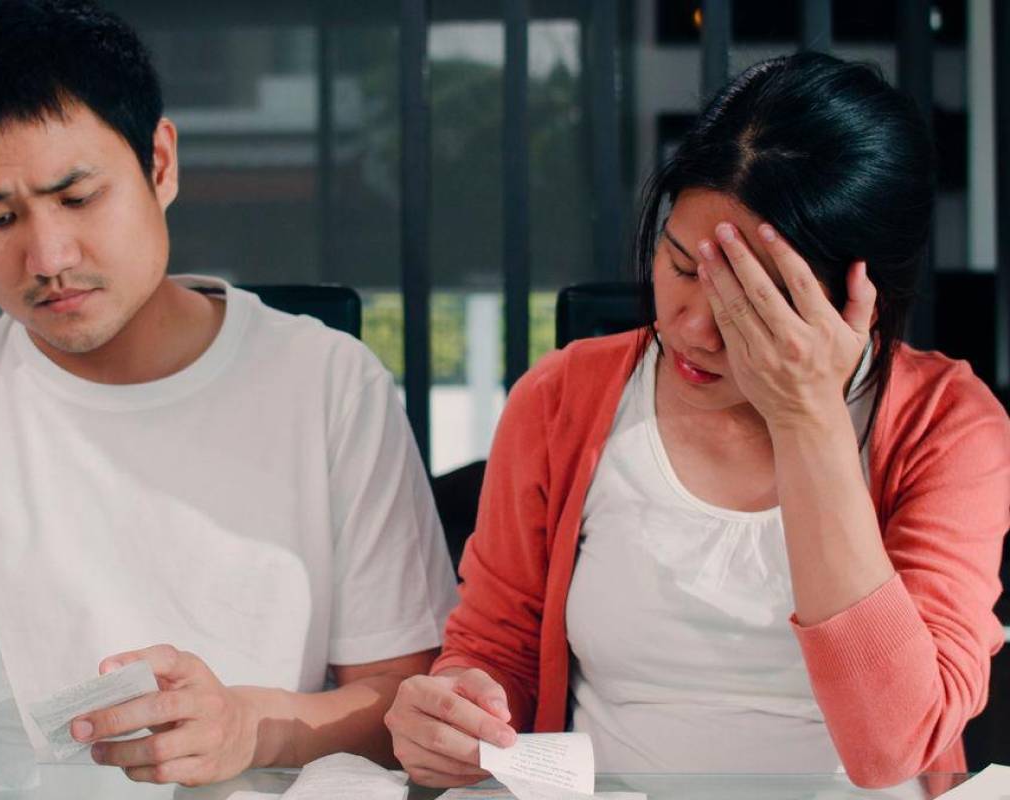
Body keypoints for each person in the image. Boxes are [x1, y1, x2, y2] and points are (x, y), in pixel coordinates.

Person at [0, 0, 457, 787]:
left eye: (79, 198)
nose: (48, 257)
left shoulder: (329, 386)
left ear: (160, 163)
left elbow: (407, 706)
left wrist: (251, 728)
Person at [385, 52, 1010, 789]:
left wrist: (808, 417)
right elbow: (497, 652)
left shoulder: (947, 424)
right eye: (683, 268)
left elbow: (893, 745)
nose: (693, 330)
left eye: (754, 301)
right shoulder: (561, 397)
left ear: (858, 297)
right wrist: (458, 708)